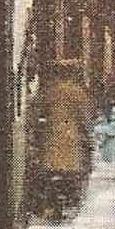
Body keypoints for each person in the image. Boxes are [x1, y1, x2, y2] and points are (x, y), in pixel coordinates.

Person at [32, 67, 92, 219]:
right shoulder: (78, 93)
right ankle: (66, 204)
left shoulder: (50, 91)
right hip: (72, 136)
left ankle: (54, 205)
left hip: (51, 136)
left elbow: (39, 112)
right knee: (69, 173)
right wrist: (88, 135)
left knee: (53, 170)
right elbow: (84, 117)